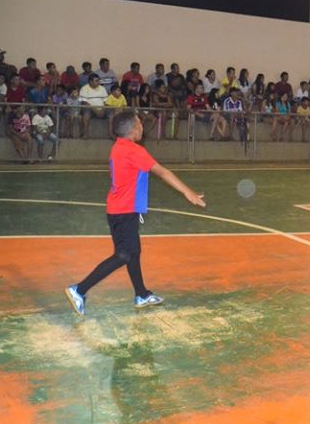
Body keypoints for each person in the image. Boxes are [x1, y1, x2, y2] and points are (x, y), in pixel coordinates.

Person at [65, 112, 206, 316]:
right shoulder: (134, 151)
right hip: (123, 211)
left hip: (120, 210)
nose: (143, 127)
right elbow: (162, 172)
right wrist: (187, 192)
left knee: (133, 252)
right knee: (124, 255)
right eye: (140, 124)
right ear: (133, 130)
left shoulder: (119, 147)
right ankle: (79, 290)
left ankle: (141, 294)